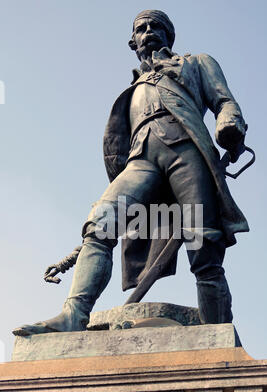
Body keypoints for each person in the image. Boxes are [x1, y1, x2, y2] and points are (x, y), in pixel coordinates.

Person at [13, 10, 249, 336]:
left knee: (204, 247)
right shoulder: (134, 87)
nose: (150, 31)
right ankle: (73, 315)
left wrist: (230, 123)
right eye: (142, 28)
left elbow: (225, 101)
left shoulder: (196, 63)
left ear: (169, 36)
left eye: (157, 27)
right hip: (141, 161)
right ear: (132, 41)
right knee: (100, 224)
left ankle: (216, 333)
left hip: (187, 153)